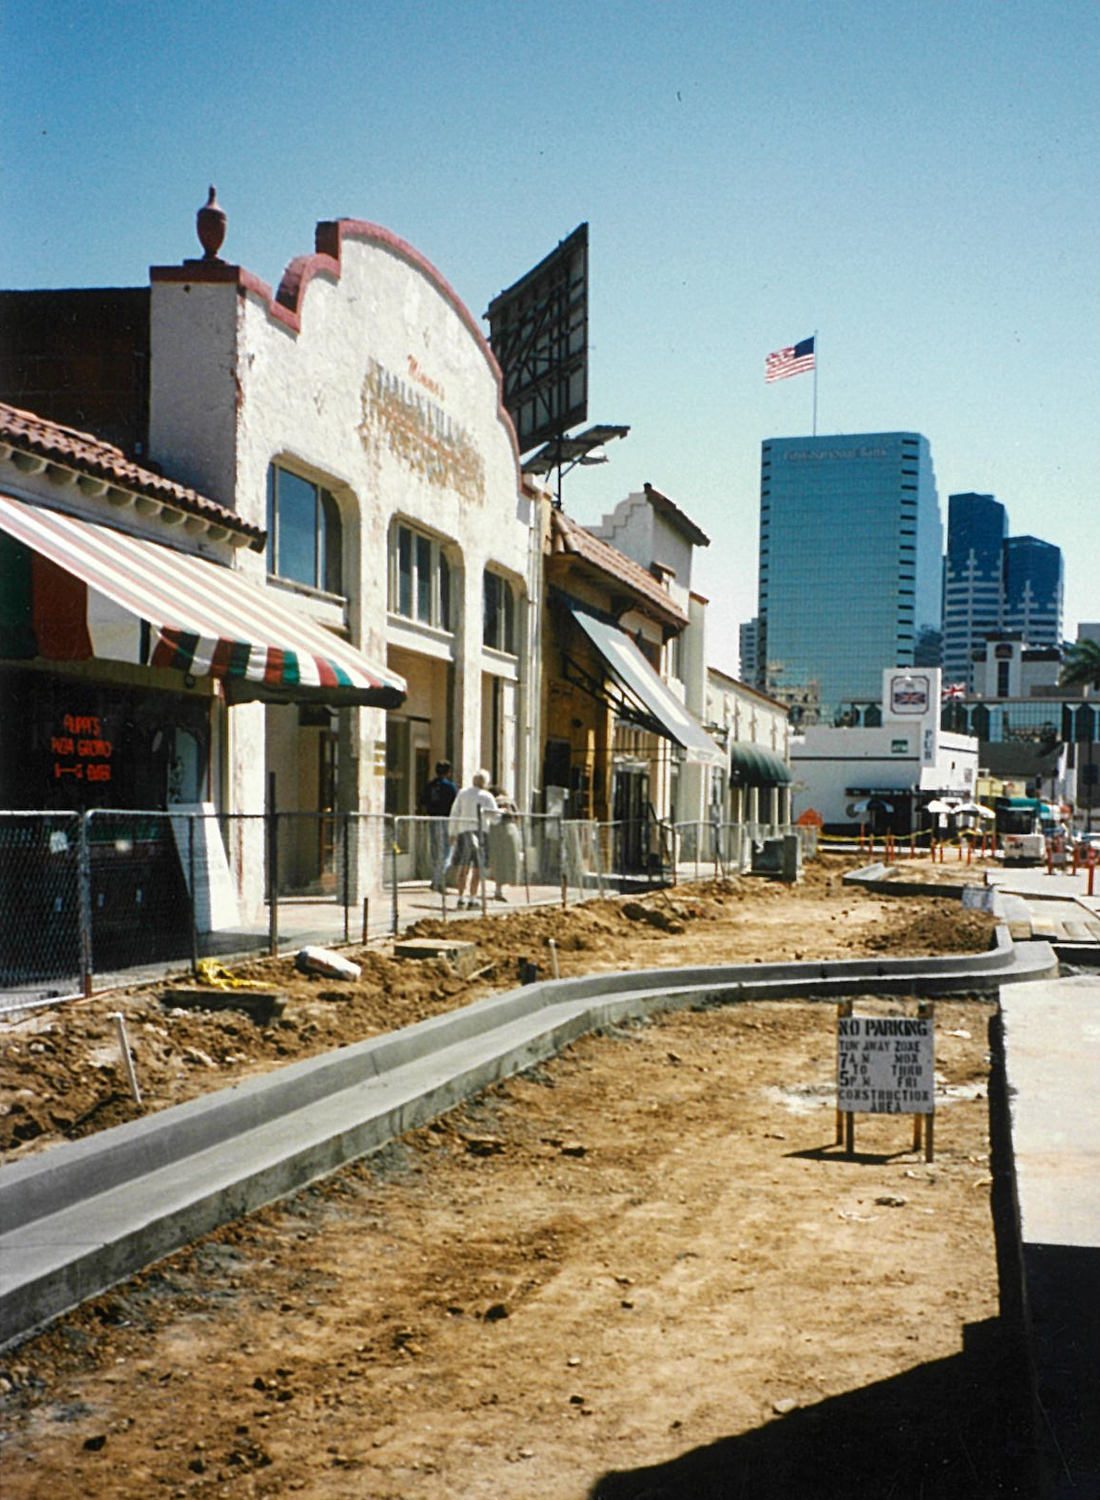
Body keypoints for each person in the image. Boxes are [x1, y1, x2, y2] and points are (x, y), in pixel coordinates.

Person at [446, 769, 497, 909]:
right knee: (478, 867)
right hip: (481, 833)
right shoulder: (487, 796)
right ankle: (473, 898)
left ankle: (461, 897)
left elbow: (455, 813)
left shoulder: (463, 794)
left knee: (463, 866)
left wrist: (452, 832)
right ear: (485, 782)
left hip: (464, 832)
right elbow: (495, 817)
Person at [419, 761, 457, 891]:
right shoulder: (450, 787)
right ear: (448, 772)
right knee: (446, 852)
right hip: (446, 820)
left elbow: (423, 803)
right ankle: (439, 881)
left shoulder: (430, 785)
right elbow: (455, 806)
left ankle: (436, 878)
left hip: (433, 820)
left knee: (435, 850)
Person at [488, 786, 523, 901]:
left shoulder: (493, 801)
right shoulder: (509, 801)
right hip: (511, 830)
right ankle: (508, 884)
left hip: (497, 831)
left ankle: (498, 889)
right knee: (510, 859)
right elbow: (517, 816)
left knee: (498, 861)